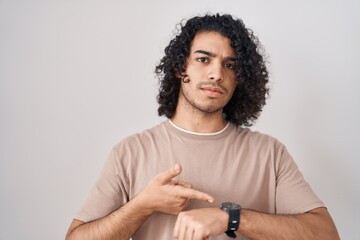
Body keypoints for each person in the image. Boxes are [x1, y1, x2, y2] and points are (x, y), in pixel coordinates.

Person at [66, 13, 340, 240]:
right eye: (203, 59)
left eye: (230, 65)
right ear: (179, 67)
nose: (216, 74)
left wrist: (231, 218)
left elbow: (326, 234)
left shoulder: (269, 153)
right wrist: (143, 205)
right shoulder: (130, 152)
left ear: (239, 78)